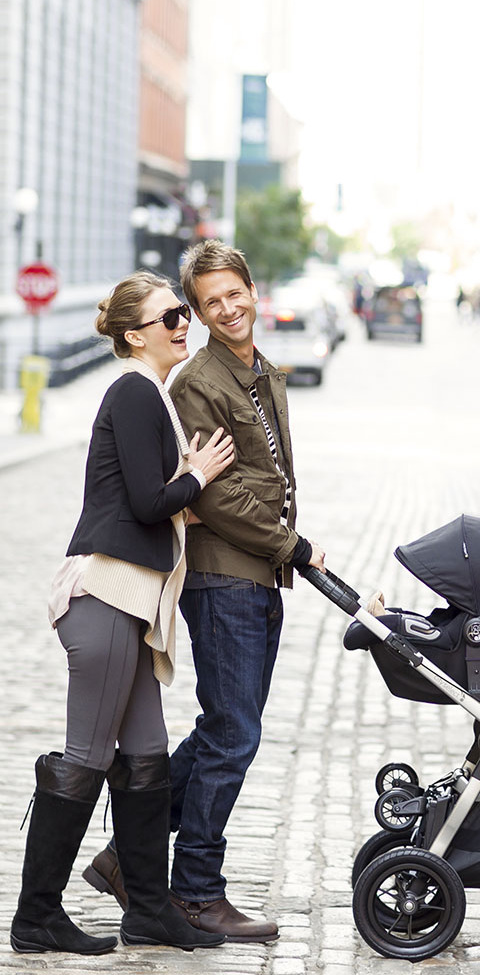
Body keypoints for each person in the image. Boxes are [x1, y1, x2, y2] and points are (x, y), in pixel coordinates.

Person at [83, 240, 326, 943]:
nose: (225, 308)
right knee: (231, 733)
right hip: (225, 576)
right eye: (208, 301)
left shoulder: (260, 373)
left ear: (252, 288)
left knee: (228, 731)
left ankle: (128, 862)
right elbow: (216, 499)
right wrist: (292, 545)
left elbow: (266, 474)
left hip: (255, 574)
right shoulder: (198, 384)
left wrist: (282, 540)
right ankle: (193, 889)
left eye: (233, 292)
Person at [11, 272, 235, 956]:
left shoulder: (151, 395)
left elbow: (149, 500)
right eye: (171, 315)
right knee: (88, 756)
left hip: (130, 602)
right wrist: (198, 475)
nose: (183, 324)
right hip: (106, 597)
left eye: (183, 314)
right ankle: (36, 918)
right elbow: (145, 502)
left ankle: (148, 912)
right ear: (136, 332)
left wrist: (188, 483)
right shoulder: (134, 390)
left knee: (146, 759)